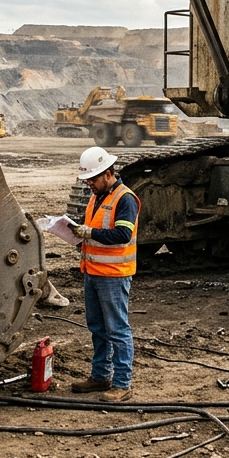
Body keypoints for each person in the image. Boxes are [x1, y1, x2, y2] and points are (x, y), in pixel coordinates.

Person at [69, 146, 140, 402]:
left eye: (92, 178)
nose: (89, 183)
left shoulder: (125, 198)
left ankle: (122, 384)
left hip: (113, 274)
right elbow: (97, 229)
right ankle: (100, 376)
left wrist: (89, 233)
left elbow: (123, 235)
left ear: (108, 174)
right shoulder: (97, 196)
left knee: (117, 330)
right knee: (98, 328)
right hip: (94, 272)